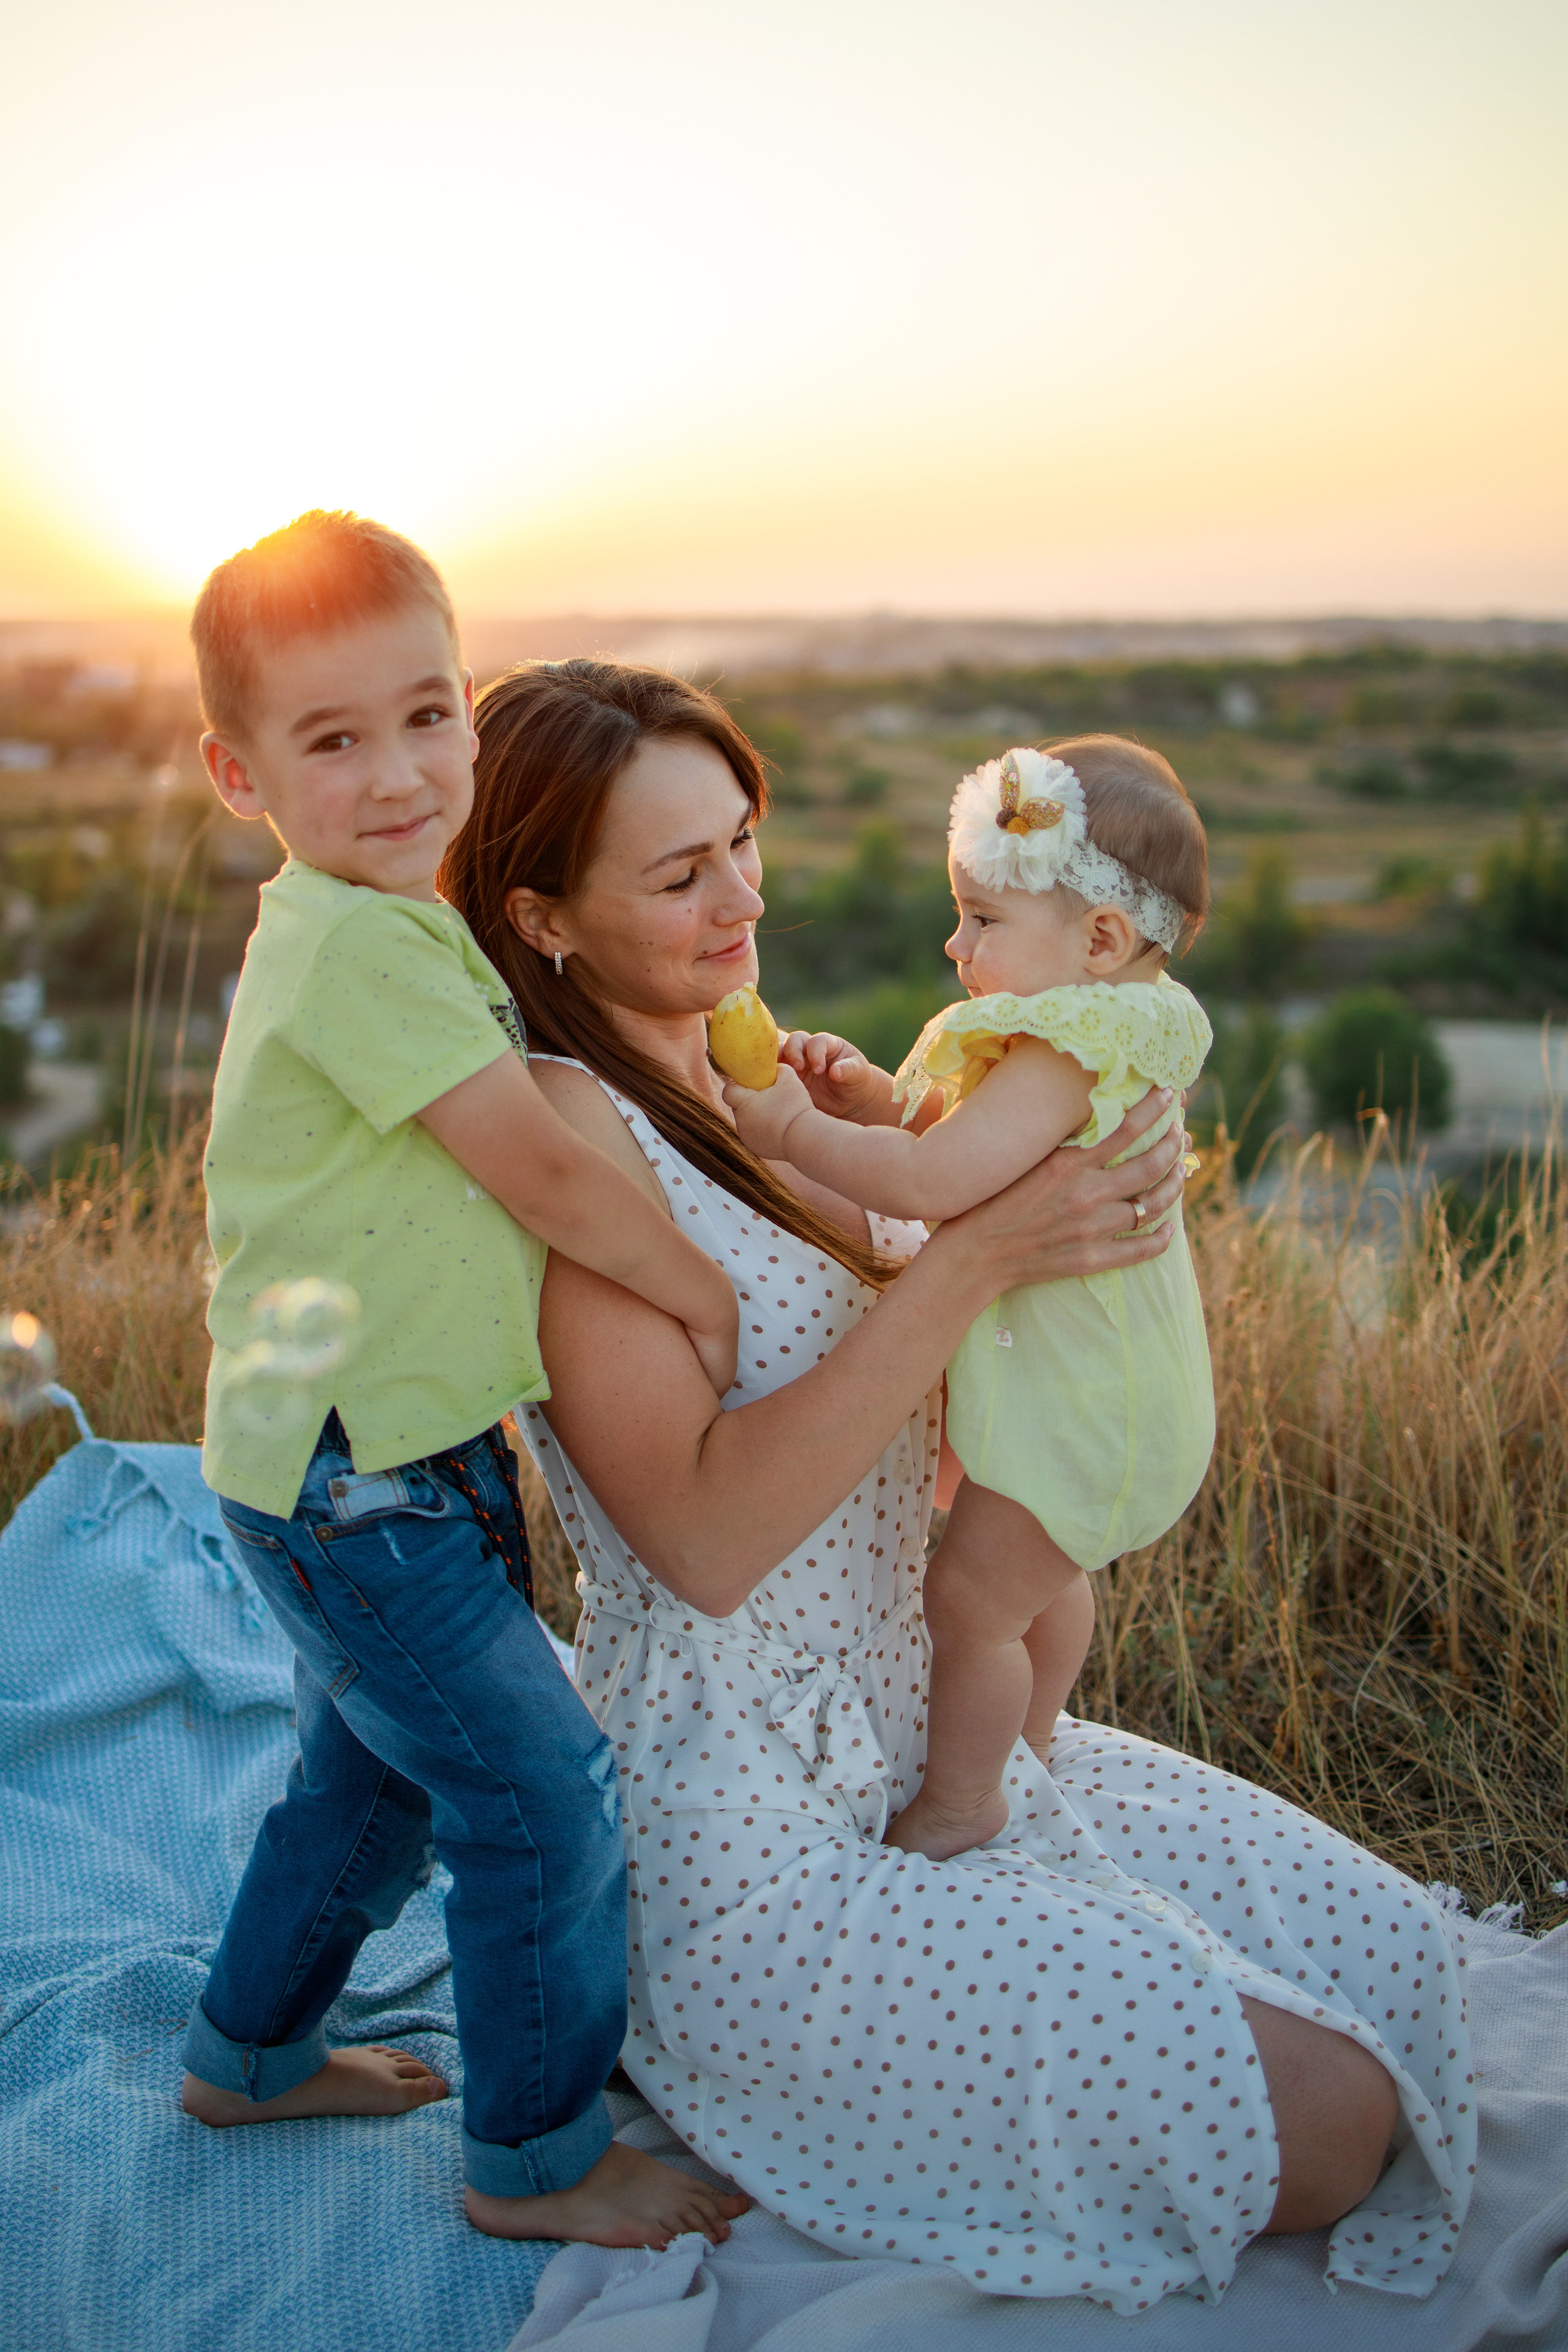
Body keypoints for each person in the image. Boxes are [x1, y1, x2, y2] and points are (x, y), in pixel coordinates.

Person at [442, 654, 1475, 2316]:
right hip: (760, 1839)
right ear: (544, 918)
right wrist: (977, 1259)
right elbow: (702, 1542)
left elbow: (918, 1282)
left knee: (1399, 1961)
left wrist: (1017, 1198)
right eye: (680, 870)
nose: (741, 897)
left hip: (925, 1724)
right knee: (1338, 2124)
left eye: (744, 841)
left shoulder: (731, 1067)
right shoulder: (573, 1139)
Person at [178, 512, 748, 2252]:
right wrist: (695, 1285)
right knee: (540, 1796)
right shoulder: (353, 947)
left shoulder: (383, 924)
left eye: (429, 716)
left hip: (387, 1458)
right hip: (359, 1486)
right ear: (235, 769)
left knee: (368, 1785)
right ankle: (538, 2160)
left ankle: (247, 2055)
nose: (400, 772)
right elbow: (544, 1170)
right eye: (333, 741)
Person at [723, 737, 1216, 1862]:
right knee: (1041, 1580)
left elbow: (941, 1187)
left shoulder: (1062, 1048)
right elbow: (965, 1156)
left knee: (969, 1602)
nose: (956, 946)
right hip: (1105, 1403)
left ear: (1100, 938)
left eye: (983, 919)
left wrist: (797, 1131)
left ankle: (962, 1802)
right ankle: (1028, 1739)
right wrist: (879, 1111)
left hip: (1090, 1410)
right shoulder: (1099, 1025)